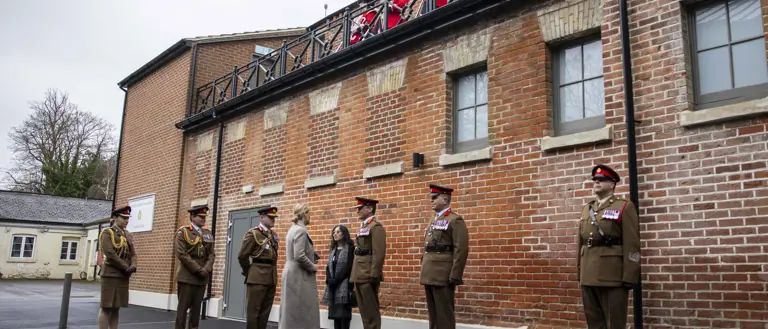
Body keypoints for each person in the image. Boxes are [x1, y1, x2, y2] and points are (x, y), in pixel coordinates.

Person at [577, 164, 640, 329]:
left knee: (614, 324)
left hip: (612, 276)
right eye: (595, 180)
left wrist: (630, 277)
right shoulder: (587, 209)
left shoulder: (624, 207)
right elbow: (581, 243)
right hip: (588, 274)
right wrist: (580, 272)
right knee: (594, 322)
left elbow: (632, 244)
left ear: (612, 184)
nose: (596, 182)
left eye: (601, 179)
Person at [419, 184, 469, 329]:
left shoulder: (455, 220)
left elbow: (461, 249)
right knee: (433, 315)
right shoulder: (433, 219)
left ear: (445, 200)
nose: (431, 200)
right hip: (429, 271)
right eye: (431, 198)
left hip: (443, 274)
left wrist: (455, 274)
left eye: (435, 197)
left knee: (444, 315)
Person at [278, 204, 320, 329]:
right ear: (303, 214)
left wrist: (312, 254)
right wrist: (313, 266)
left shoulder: (293, 229)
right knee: (301, 309)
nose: (310, 216)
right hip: (298, 274)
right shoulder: (301, 231)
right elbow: (299, 255)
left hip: (292, 271)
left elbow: (296, 251)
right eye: (309, 213)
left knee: (291, 309)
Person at [174, 205, 215, 329]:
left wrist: (206, 269)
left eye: (204, 217)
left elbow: (212, 254)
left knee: (196, 311)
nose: (203, 219)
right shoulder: (184, 232)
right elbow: (181, 254)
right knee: (182, 310)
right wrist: (197, 269)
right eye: (200, 217)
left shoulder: (207, 234)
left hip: (202, 276)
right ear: (192, 217)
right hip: (187, 275)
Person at [238, 206, 280, 329]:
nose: (273, 220)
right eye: (270, 217)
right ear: (261, 217)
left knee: (265, 313)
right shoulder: (253, 233)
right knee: (253, 312)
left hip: (271, 277)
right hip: (257, 276)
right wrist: (249, 271)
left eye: (274, 218)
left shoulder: (273, 235)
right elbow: (242, 256)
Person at [98, 206, 137, 329]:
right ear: (115, 218)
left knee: (116, 307)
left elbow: (133, 253)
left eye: (128, 218)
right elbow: (110, 254)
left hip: (123, 275)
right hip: (110, 274)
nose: (126, 221)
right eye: (123, 218)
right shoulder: (107, 233)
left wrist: (133, 265)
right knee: (106, 307)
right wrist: (126, 267)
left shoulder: (127, 234)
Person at [350, 197, 386, 329]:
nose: (358, 211)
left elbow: (379, 253)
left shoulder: (375, 227)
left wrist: (374, 274)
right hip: (359, 272)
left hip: (368, 274)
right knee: (364, 311)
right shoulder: (364, 226)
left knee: (371, 311)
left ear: (370, 209)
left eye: (360, 208)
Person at [322, 225, 356, 329]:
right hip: (333, 286)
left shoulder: (350, 249)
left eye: (338, 232)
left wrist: (336, 280)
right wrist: (329, 279)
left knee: (344, 317)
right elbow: (328, 267)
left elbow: (348, 267)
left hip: (344, 286)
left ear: (344, 234)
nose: (335, 234)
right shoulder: (333, 250)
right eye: (334, 232)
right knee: (336, 316)